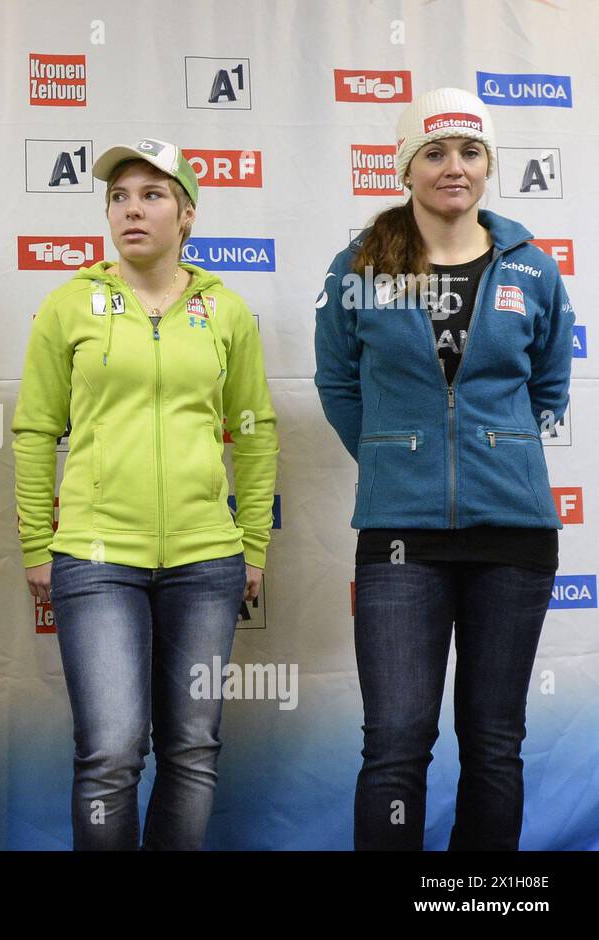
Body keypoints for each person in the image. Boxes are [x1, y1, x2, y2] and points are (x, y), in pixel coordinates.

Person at [314, 88, 573, 850]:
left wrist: (503, 451)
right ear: (406, 168)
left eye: (469, 151)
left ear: (488, 165)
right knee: (395, 745)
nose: (453, 167)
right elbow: (338, 384)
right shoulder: (359, 266)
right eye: (434, 152)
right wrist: (399, 456)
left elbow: (549, 388)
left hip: (515, 535)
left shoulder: (533, 268)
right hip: (401, 537)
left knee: (495, 746)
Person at [13, 139, 278, 850]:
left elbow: (254, 433)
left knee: (192, 750)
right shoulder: (69, 305)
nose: (132, 208)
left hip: (206, 561)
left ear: (186, 214)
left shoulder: (225, 310)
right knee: (110, 753)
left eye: (153, 195)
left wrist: (251, 544)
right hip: (96, 561)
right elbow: (36, 429)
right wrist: (39, 543)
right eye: (119, 196)